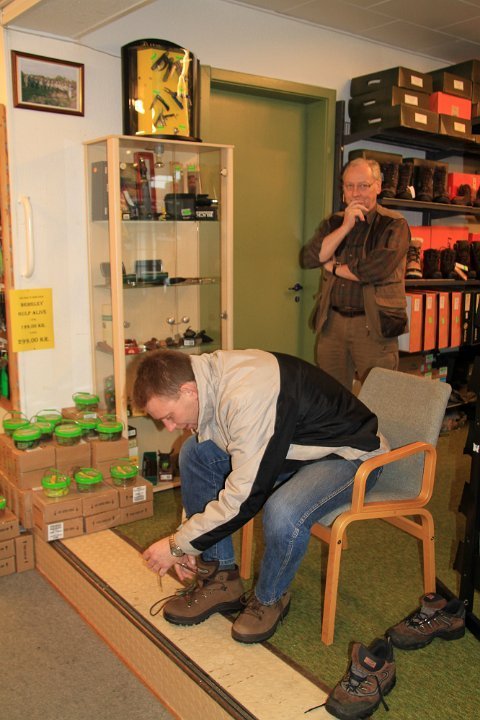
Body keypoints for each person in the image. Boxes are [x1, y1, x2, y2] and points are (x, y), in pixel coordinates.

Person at [134, 347, 389, 643]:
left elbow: (244, 499)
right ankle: (220, 579)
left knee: (283, 511)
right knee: (195, 453)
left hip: (349, 455)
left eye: (169, 416)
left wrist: (177, 545)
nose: (169, 427)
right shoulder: (209, 380)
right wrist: (188, 538)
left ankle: (270, 598)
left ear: (188, 391)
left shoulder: (245, 396)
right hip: (294, 449)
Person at [302, 157, 410, 390]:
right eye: (349, 186)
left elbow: (375, 270)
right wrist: (345, 227)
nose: (355, 193)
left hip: (373, 327)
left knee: (379, 397)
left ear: (378, 186)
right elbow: (310, 258)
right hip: (333, 325)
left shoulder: (394, 224)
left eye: (363, 185)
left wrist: (333, 267)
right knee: (332, 397)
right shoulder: (335, 223)